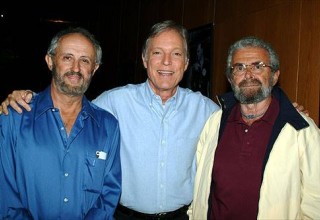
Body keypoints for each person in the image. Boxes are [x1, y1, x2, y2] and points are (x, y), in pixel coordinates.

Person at [0, 22, 309, 219]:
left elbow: (248, 115)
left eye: (175, 54)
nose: (165, 62)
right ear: (145, 60)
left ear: (186, 64)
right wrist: (23, 96)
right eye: (157, 53)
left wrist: (282, 107)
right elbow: (68, 104)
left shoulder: (208, 111)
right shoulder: (112, 102)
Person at [188, 36, 320, 219]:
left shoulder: (301, 130)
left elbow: (316, 202)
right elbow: (200, 186)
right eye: (239, 67)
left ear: (274, 76)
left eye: (258, 66)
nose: (248, 74)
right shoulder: (214, 123)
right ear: (230, 77)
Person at [0, 27, 121, 219]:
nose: (75, 68)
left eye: (85, 60)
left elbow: (108, 195)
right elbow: (4, 193)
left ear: (94, 68)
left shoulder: (108, 127)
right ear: (50, 61)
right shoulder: (14, 118)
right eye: (67, 58)